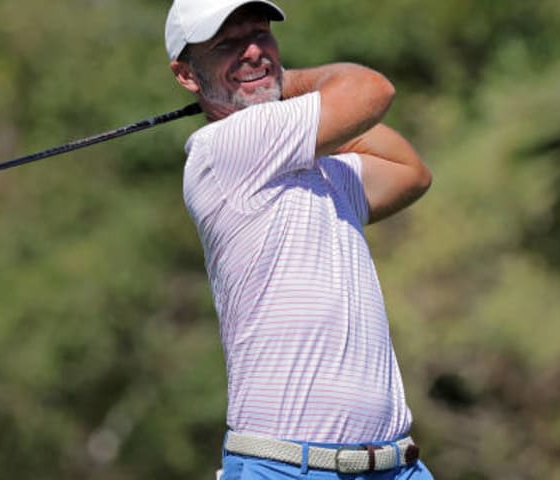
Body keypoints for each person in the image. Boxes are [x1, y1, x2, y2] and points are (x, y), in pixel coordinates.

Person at [165, 0, 434, 478]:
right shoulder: (223, 148)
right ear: (187, 74)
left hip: (396, 464)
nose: (253, 51)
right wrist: (289, 84)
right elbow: (372, 90)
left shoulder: (320, 172)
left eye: (261, 36)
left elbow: (408, 172)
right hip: (287, 466)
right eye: (228, 44)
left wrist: (292, 103)